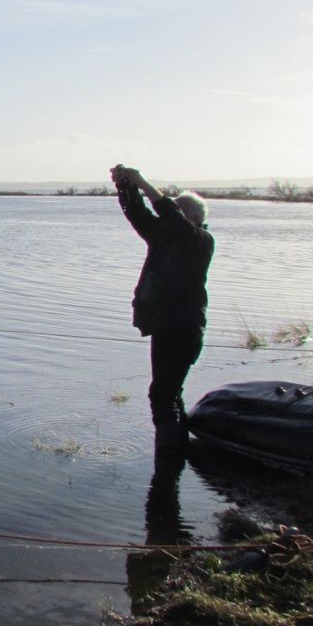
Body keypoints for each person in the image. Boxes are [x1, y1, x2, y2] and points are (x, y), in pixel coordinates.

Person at [110, 164, 214, 448]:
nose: (165, 220)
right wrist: (125, 186)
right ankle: (178, 452)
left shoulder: (200, 241)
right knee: (168, 394)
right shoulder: (165, 236)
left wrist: (142, 181)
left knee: (162, 396)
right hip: (164, 326)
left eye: (178, 214)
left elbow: (169, 214)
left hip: (185, 329)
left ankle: (169, 457)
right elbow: (138, 214)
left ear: (194, 219)